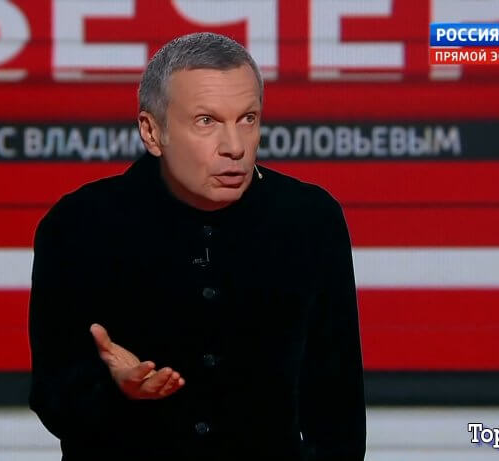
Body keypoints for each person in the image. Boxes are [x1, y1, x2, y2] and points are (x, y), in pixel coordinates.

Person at [28, 32, 365, 460]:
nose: (235, 147)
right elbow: (52, 394)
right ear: (152, 132)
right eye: (207, 121)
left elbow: (337, 408)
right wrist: (115, 390)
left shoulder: (310, 219)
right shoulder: (79, 225)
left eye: (248, 119)